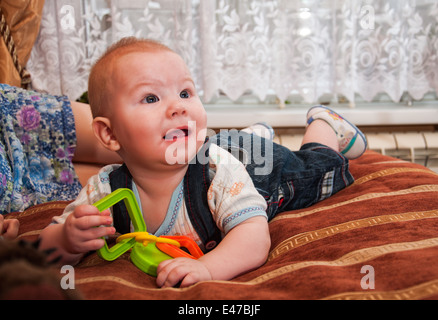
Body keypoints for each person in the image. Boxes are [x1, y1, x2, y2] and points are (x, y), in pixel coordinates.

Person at [39, 37, 367, 288]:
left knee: (318, 167)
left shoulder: (215, 173)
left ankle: (324, 124)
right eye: (151, 98)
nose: (177, 107)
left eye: (185, 93)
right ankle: (252, 138)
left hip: (256, 172)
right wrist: (66, 239)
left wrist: (207, 268)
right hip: (221, 147)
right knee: (229, 145)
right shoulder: (105, 190)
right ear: (109, 134)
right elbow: (45, 250)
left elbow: (254, 237)